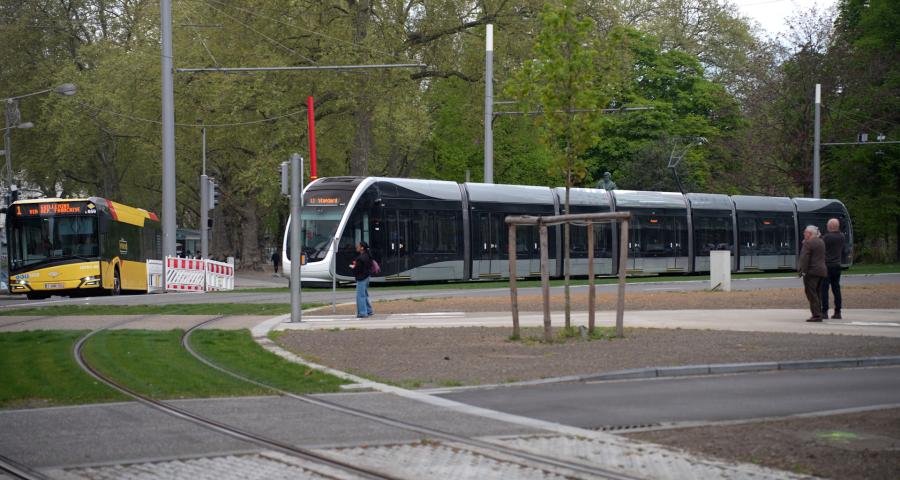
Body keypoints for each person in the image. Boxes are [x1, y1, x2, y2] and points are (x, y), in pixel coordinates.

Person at [798, 225, 827, 322]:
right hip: (822, 271)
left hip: (811, 272)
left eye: (805, 232)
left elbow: (804, 259)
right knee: (818, 293)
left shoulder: (808, 243)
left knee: (811, 293)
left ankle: (816, 315)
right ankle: (820, 313)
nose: (803, 233)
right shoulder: (821, 242)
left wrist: (803, 271)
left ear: (809, 233)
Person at [821, 218, 845, 319]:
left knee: (824, 289)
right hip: (837, 265)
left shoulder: (826, 237)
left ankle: (825, 311)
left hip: (827, 265)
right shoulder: (841, 236)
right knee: (836, 289)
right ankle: (838, 311)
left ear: (830, 226)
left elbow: (820, 245)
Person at [351, 241, 374, 318]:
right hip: (367, 276)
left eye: (358, 246)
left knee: (360, 296)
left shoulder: (360, 258)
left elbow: (358, 269)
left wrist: (353, 267)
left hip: (361, 278)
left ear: (362, 248)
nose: (356, 247)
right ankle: (369, 310)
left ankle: (362, 313)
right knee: (364, 294)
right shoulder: (368, 256)